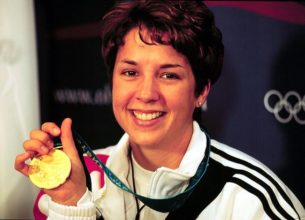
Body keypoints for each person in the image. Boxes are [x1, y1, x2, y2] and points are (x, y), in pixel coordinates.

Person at [15, 0, 305, 219]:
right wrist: (71, 206)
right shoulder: (78, 179)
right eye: (130, 73)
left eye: (169, 75)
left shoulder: (252, 200)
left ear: (201, 90)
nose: (145, 93)